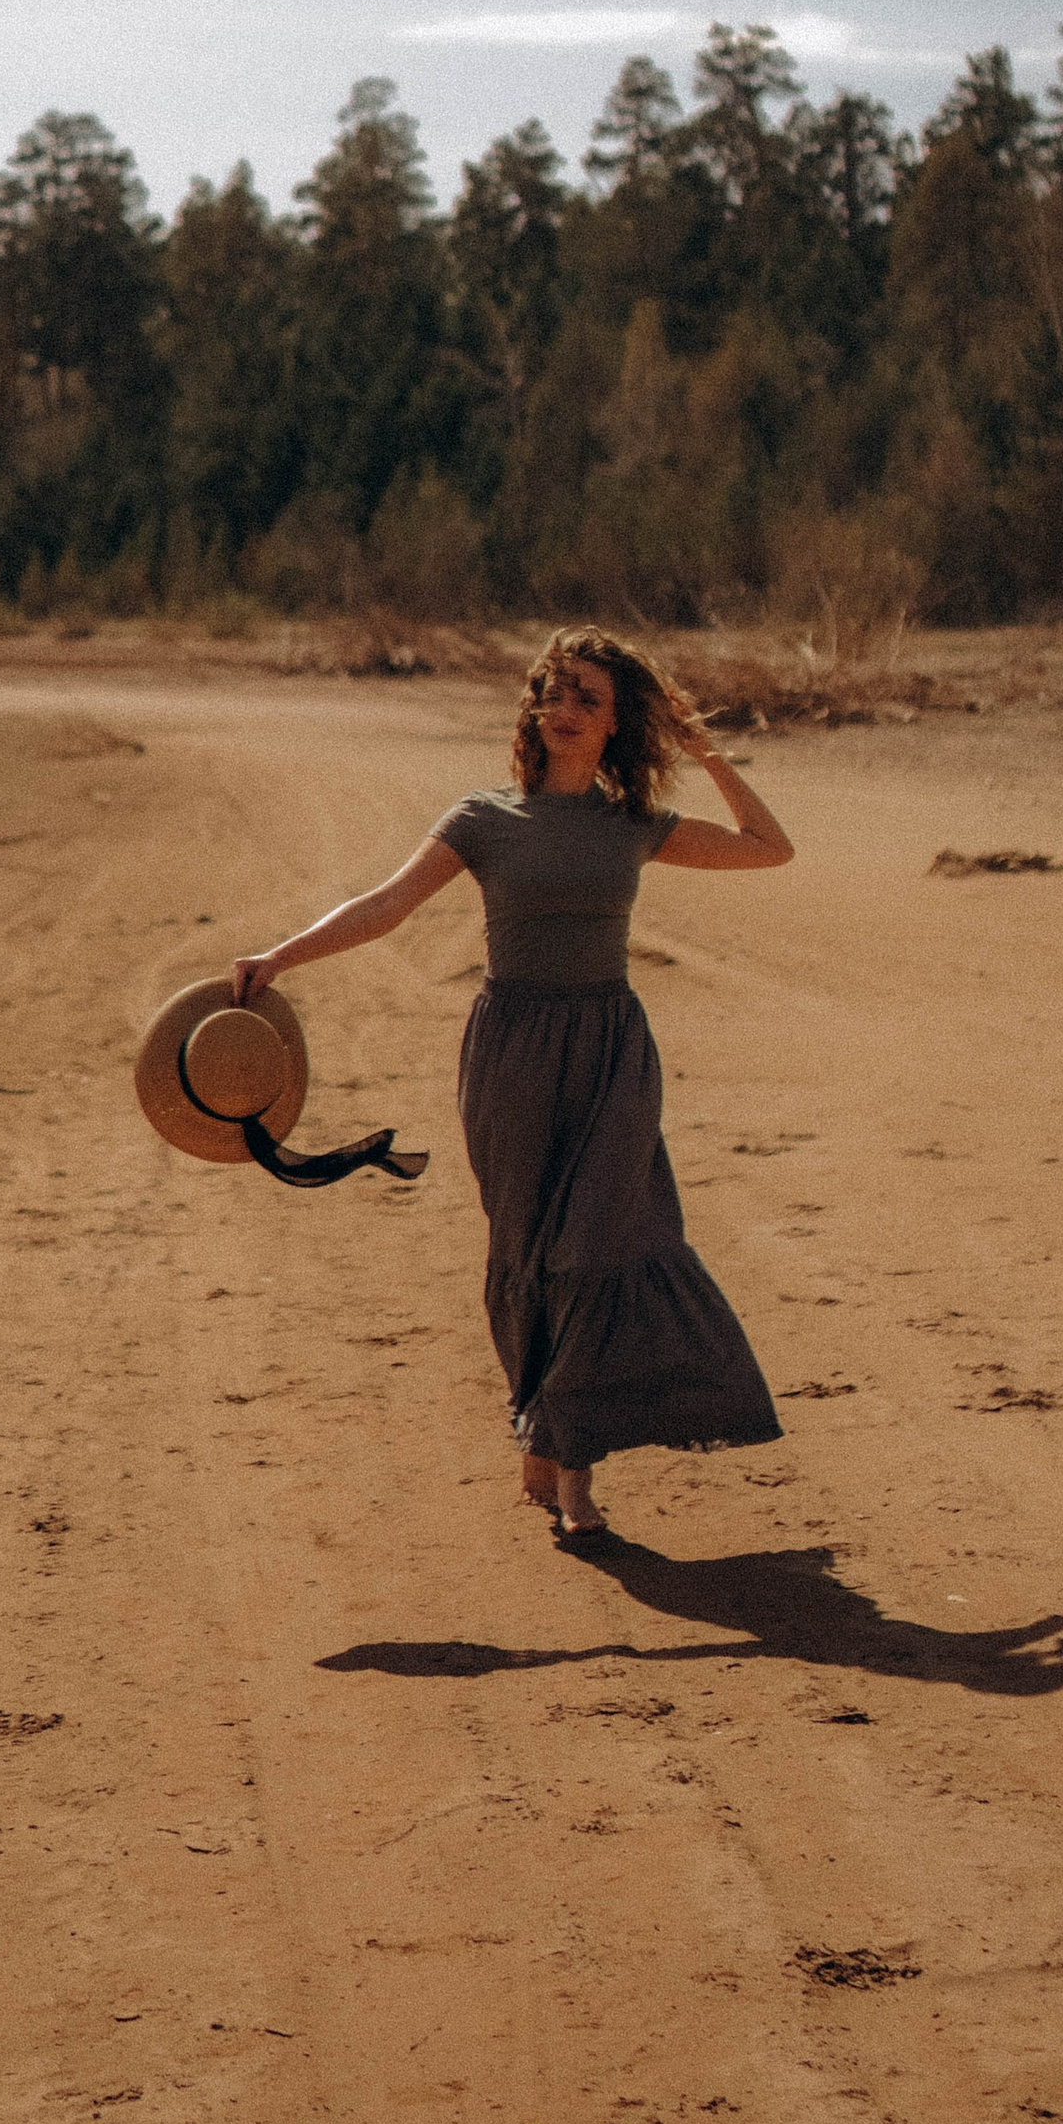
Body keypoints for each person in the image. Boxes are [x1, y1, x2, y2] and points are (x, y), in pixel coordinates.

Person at [231, 625, 791, 1544]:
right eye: (554, 692)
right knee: (526, 1251)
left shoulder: (632, 827)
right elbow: (385, 904)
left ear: (617, 724)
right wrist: (282, 956)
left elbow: (769, 847)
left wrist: (703, 748)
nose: (566, 711)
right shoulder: (484, 819)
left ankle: (574, 1473)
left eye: (589, 699)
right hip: (512, 1056)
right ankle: (542, 1425)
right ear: (533, 707)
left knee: (591, 1250)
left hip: (611, 1054)